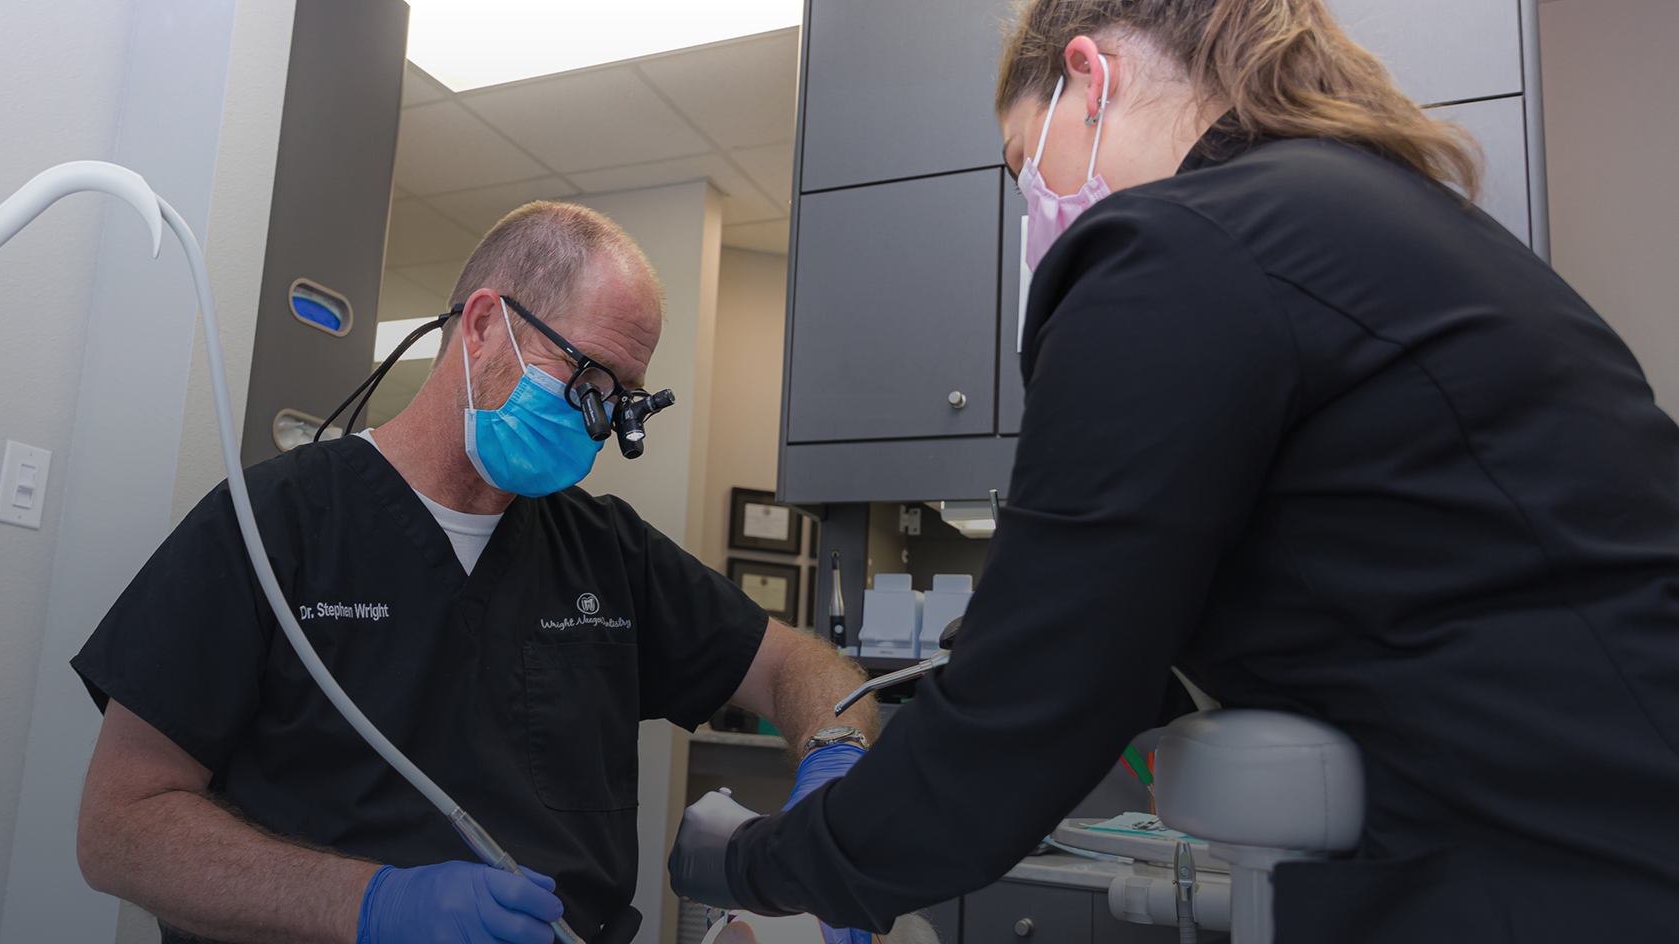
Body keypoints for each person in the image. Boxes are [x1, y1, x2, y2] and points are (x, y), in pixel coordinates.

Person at [670, 1, 1679, 941]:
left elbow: (1025, 727)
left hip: (1560, 875)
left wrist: (755, 859)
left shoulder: (1176, 246)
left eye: (1025, 163)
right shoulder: (1387, 219)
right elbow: (1119, 628)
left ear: (1088, 77)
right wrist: (990, 662)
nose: (1034, 212)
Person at [71, 201, 880, 944]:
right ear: (486, 326)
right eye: (587, 377)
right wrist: (369, 903)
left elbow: (801, 667)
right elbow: (119, 830)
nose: (601, 423)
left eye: (622, 396)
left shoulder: (608, 554)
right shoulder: (271, 526)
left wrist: (836, 762)